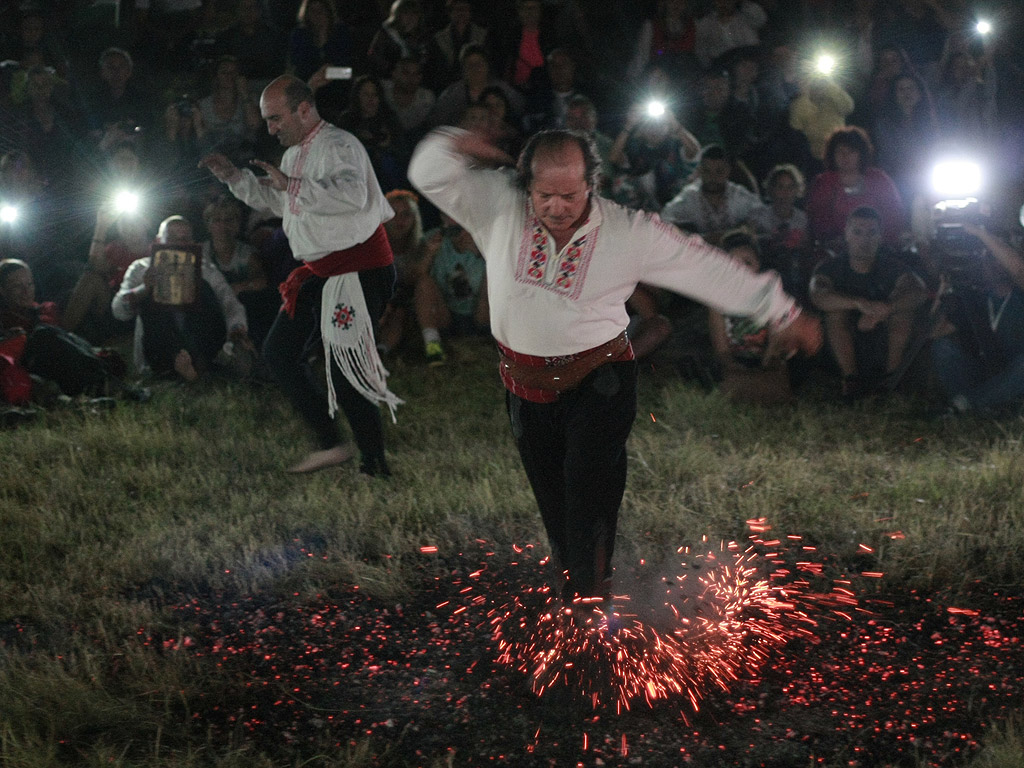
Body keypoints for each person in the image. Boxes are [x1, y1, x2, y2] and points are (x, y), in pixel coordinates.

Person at [408, 127, 821, 603]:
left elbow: (702, 265)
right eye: (545, 195)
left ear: (592, 185)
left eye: (570, 194)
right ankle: (578, 597)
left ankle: (592, 608)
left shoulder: (628, 231)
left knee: (589, 497)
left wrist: (782, 311)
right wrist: (457, 142)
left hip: (599, 382)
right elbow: (426, 171)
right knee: (556, 507)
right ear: (526, 185)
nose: (558, 208)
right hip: (525, 386)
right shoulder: (497, 204)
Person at [199, 75, 401, 477]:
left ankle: (374, 463)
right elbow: (282, 201)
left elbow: (351, 195)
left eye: (276, 118)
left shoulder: (340, 146)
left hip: (358, 269)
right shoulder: (294, 156)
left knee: (345, 368)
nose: (270, 128)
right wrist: (234, 179)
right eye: (267, 120)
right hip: (322, 271)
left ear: (304, 109)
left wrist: (291, 185)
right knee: (278, 353)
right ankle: (331, 443)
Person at [111, 215, 253, 382]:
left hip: (198, 342)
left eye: (184, 239)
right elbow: (118, 310)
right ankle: (174, 367)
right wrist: (144, 289)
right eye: (171, 238)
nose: (178, 245)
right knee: (151, 296)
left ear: (192, 243)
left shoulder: (205, 269)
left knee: (203, 286)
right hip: (159, 347)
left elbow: (229, 302)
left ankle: (197, 366)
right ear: (158, 241)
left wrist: (237, 332)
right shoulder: (140, 268)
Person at [809, 206, 927, 400]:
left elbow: (917, 291)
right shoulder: (830, 267)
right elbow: (819, 295)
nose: (865, 239)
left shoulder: (892, 266)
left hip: (883, 343)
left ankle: (892, 379)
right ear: (846, 234)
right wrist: (858, 304)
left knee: (903, 315)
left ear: (880, 236)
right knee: (835, 314)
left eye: (872, 233)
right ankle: (851, 381)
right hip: (840, 347)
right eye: (858, 232)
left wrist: (887, 309)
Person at [930, 225, 1024, 415]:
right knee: (942, 348)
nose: (995, 262)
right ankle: (977, 405)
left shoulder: (1019, 294)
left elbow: (1019, 271)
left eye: (998, 255)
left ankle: (964, 406)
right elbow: (933, 333)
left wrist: (981, 232)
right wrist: (942, 294)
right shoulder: (975, 299)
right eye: (987, 256)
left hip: (1017, 374)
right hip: (986, 372)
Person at [708, 230, 793, 405]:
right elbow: (721, 350)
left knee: (779, 376)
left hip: (765, 361)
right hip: (735, 362)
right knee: (729, 379)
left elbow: (775, 345)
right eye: (733, 263)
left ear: (758, 265)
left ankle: (752, 390)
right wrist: (733, 366)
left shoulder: (770, 297)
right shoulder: (716, 302)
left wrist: (767, 365)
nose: (741, 269)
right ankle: (750, 390)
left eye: (747, 262)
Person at [805, 126, 906, 250]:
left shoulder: (879, 179)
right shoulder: (824, 182)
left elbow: (894, 215)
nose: (845, 156)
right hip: (835, 250)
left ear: (861, 153)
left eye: (851, 151)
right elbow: (817, 218)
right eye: (840, 151)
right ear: (832, 154)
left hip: (879, 248)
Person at [660, 144, 761, 244]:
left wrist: (747, 228)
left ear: (728, 171)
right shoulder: (690, 196)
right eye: (706, 171)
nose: (712, 177)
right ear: (700, 171)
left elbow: (764, 216)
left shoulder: (739, 195)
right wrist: (689, 236)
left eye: (719, 171)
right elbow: (664, 219)